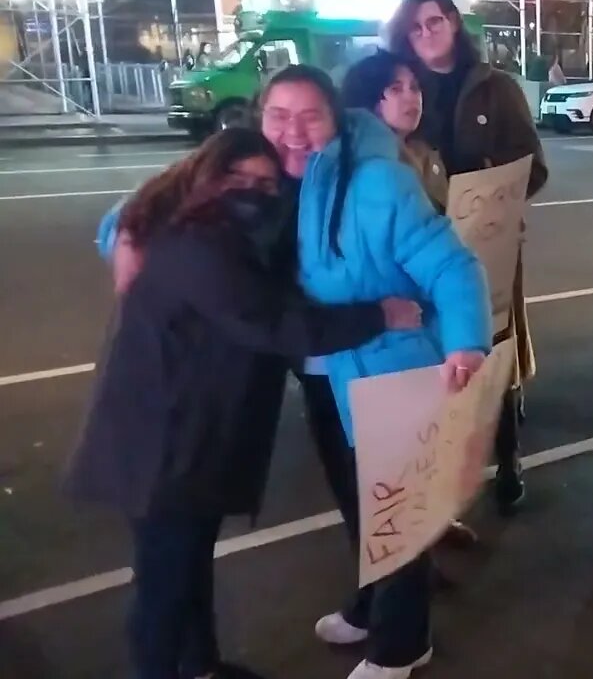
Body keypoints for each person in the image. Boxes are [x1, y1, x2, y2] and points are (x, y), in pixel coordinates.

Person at [66, 129, 423, 679]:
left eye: (265, 183)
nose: (253, 193)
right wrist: (383, 315)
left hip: (185, 434)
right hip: (161, 442)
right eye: (238, 180)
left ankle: (200, 666)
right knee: (163, 585)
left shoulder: (220, 233)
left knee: (185, 565)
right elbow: (275, 322)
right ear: (208, 177)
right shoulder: (196, 243)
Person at [263, 64, 491, 679]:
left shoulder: (377, 184)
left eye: (310, 114)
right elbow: (179, 199)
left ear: (335, 117)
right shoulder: (265, 178)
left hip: (390, 373)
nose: (294, 130)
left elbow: (454, 265)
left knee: (395, 511)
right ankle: (370, 606)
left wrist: (466, 343)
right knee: (358, 508)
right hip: (321, 373)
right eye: (279, 115)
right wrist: (124, 233)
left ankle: (400, 644)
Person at [387, 0, 547, 516]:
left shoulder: (494, 88)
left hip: (487, 244)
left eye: (434, 22)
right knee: (434, 356)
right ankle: (441, 478)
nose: (425, 34)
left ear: (454, 22)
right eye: (414, 27)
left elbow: (534, 166)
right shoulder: (399, 85)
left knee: (493, 347)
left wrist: (495, 185)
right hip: (420, 250)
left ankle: (508, 456)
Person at [341, 49, 482, 548]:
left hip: (435, 323)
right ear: (366, 102)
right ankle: (408, 557)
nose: (409, 98)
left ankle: (433, 527)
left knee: (433, 439)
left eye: (414, 87)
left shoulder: (426, 156)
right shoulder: (364, 169)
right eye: (394, 89)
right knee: (390, 466)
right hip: (388, 334)